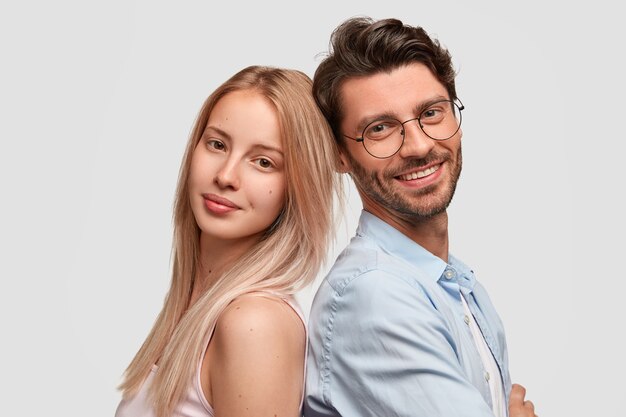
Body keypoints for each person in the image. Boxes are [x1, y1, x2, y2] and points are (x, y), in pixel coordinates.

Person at [304, 17, 537, 417]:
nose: (418, 144)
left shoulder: (461, 285)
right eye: (380, 128)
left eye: (431, 113)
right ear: (339, 155)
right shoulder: (373, 294)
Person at [115, 66, 340, 417]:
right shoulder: (197, 304)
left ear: (298, 187)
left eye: (263, 162)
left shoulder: (254, 322)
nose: (225, 175)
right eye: (217, 144)